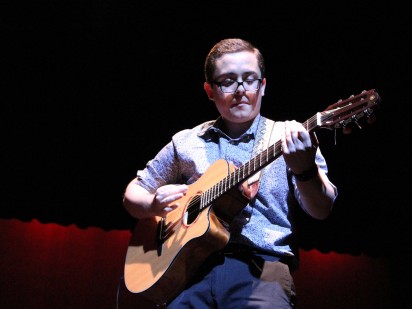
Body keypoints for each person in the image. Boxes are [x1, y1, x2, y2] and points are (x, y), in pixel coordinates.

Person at [123, 38, 338, 308]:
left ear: (263, 86)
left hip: (262, 272)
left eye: (249, 79)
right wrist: (150, 204)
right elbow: (135, 191)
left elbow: (321, 209)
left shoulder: (289, 136)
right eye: (227, 81)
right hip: (190, 273)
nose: (240, 90)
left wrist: (305, 169)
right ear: (209, 90)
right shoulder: (187, 141)